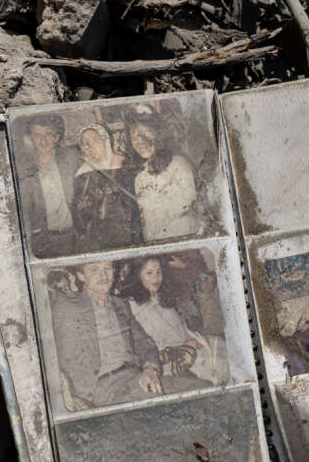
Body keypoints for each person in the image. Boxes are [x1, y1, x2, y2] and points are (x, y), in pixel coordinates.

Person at [49, 260, 167, 409]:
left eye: (107, 268)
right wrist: (69, 395)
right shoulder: (67, 306)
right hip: (102, 387)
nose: (103, 275)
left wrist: (150, 369)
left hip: (136, 377)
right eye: (94, 270)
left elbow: (144, 342)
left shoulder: (121, 304)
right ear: (81, 276)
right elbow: (50, 351)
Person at [123, 256, 227, 385]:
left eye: (159, 272)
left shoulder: (161, 296)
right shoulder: (133, 306)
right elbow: (148, 345)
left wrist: (197, 338)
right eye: (149, 273)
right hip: (173, 361)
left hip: (190, 347)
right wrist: (185, 346)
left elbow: (181, 327)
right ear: (138, 276)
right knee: (221, 366)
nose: (156, 278)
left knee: (224, 347)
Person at [127, 109, 200, 240]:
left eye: (145, 133)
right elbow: (146, 222)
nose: (139, 142)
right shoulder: (140, 177)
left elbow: (192, 203)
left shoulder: (178, 163)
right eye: (133, 138)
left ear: (157, 134)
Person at [15, 115, 79, 256]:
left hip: (72, 237)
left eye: (48, 135)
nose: (43, 141)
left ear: (56, 138)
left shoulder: (70, 160)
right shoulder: (23, 168)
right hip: (42, 241)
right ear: (30, 138)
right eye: (37, 135)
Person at [72, 124, 142, 251]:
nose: (89, 147)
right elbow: (79, 215)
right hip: (100, 240)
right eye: (84, 143)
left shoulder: (125, 165)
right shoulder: (82, 174)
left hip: (131, 233)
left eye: (94, 140)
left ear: (106, 141)